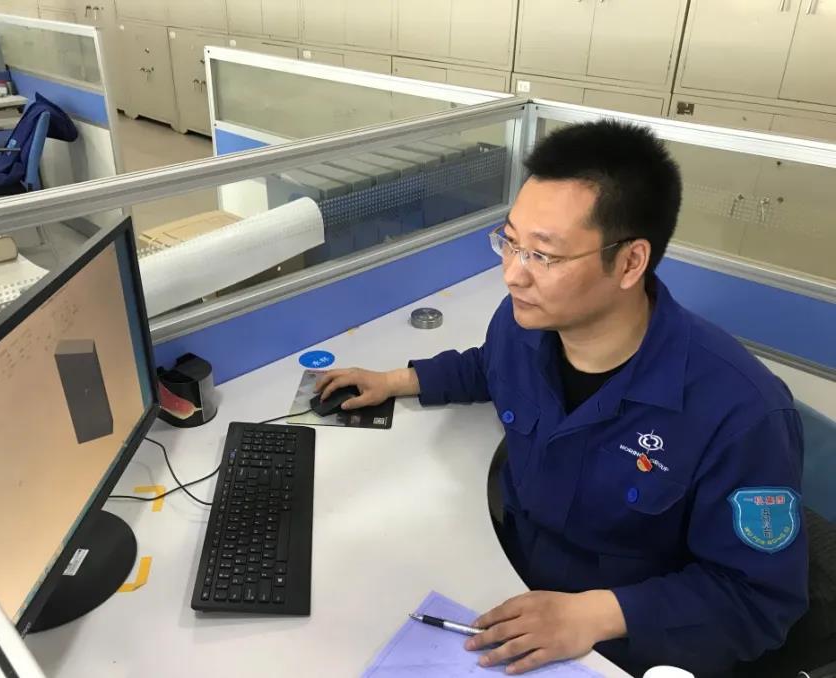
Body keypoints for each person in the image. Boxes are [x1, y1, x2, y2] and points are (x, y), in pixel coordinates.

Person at [315, 121, 808, 677]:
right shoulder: (524, 325)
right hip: (511, 583)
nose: (512, 275)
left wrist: (595, 614)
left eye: (543, 255)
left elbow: (759, 601)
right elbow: (490, 366)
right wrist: (399, 380)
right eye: (509, 242)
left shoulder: (742, 414)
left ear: (630, 262)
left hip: (621, 646)